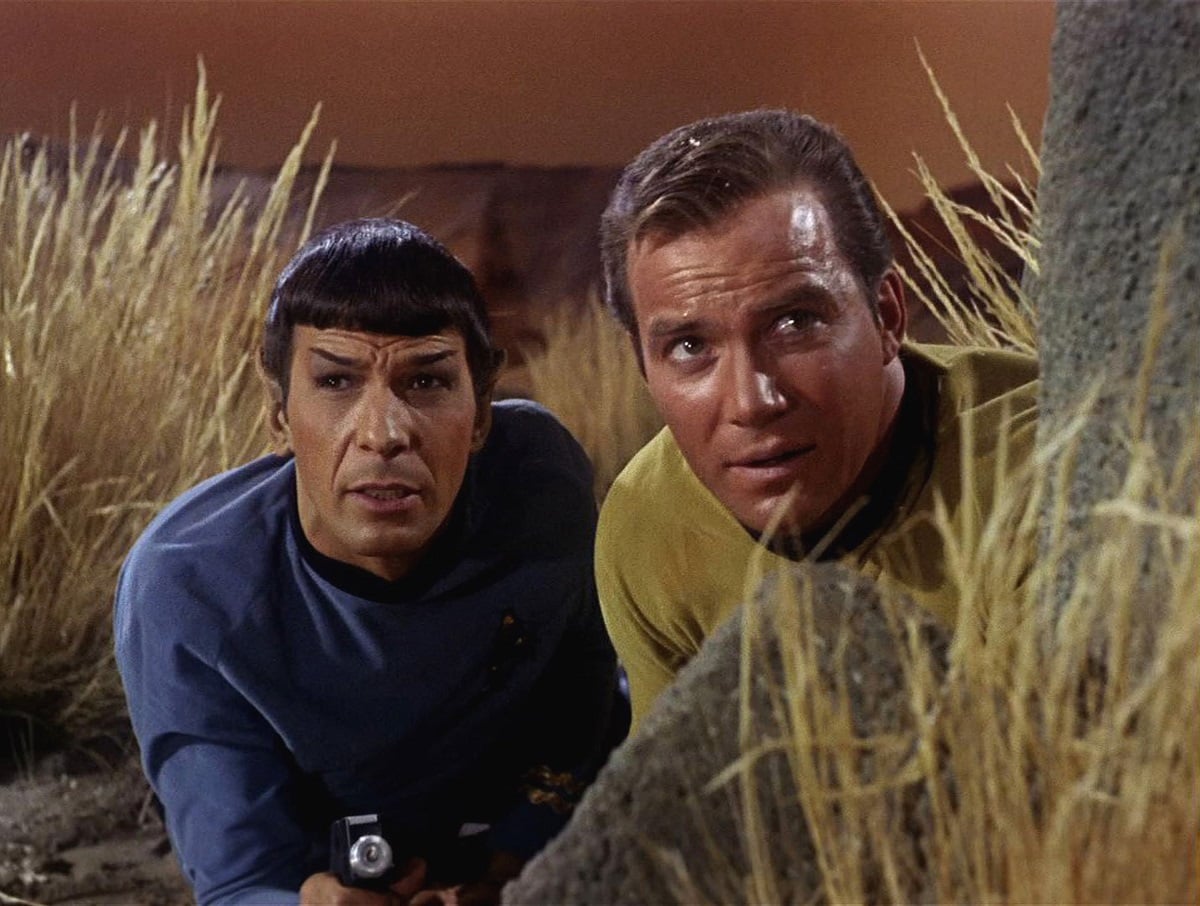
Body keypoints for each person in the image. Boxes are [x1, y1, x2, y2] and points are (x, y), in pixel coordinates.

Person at [114, 218, 626, 905]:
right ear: (278, 413)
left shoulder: (539, 484)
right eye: (336, 381)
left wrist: (512, 863)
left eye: (427, 381)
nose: (383, 434)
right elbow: (241, 878)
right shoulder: (191, 587)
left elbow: (585, 685)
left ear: (481, 414)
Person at [596, 109, 1038, 727]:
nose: (752, 401)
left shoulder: (1044, 463)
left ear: (887, 317)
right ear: (644, 366)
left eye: (795, 322)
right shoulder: (647, 525)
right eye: (691, 346)